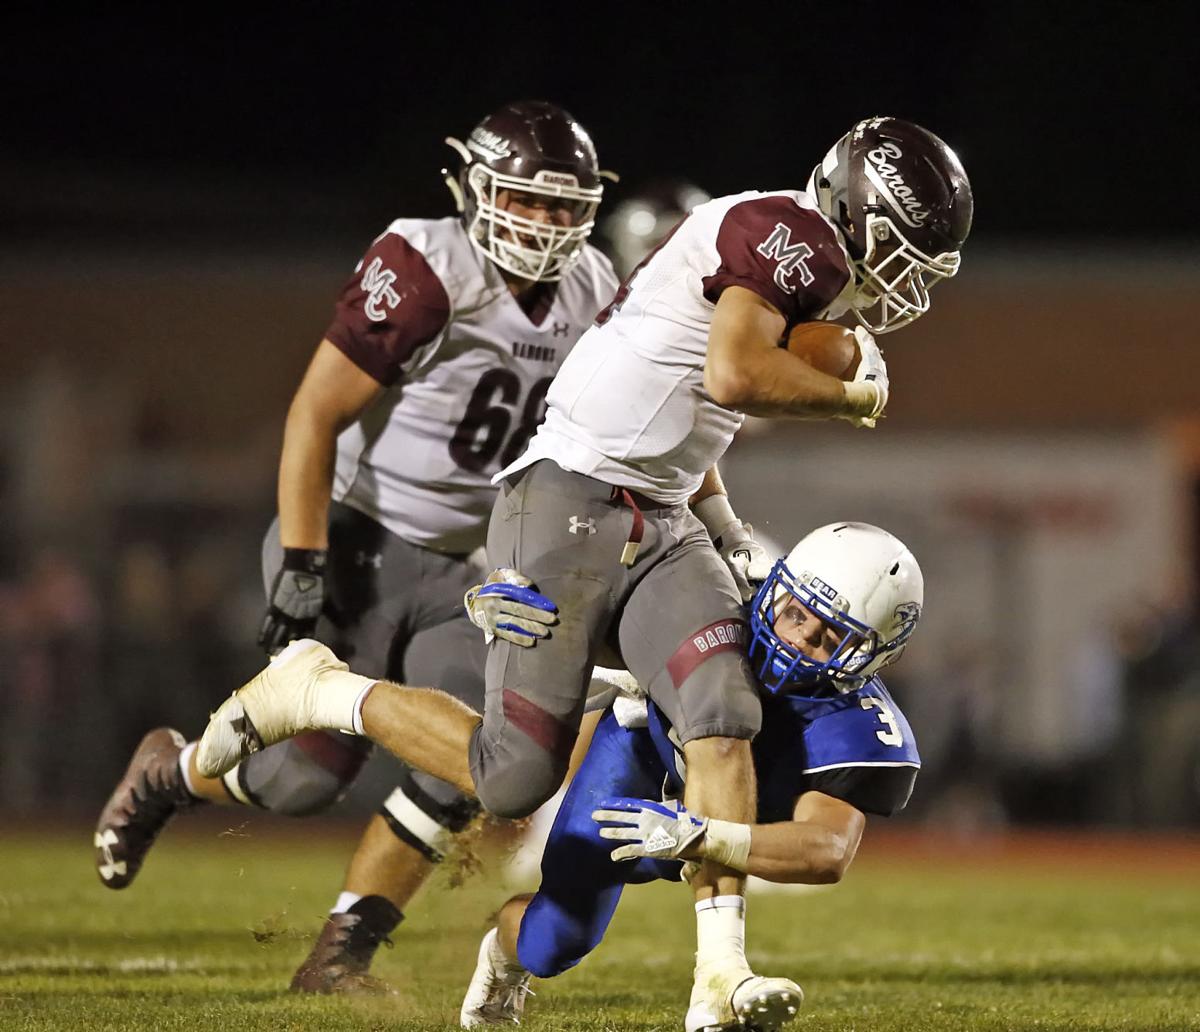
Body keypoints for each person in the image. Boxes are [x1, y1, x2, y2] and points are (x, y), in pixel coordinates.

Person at [196, 115, 972, 1028]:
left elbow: (682, 409)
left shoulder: (794, 250)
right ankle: (322, 689)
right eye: (904, 248)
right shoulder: (788, 234)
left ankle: (720, 974)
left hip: (664, 512)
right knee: (512, 779)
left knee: (723, 707)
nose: (909, 280)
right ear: (858, 210)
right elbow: (731, 376)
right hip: (570, 497)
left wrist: (722, 523)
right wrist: (850, 394)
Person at [93, 99, 619, 992]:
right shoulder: (427, 266)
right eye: (526, 199)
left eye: (562, 205)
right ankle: (169, 773)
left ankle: (341, 954)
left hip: (471, 569)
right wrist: (303, 560)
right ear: (476, 189)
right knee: (302, 782)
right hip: (360, 539)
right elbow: (315, 412)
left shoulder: (596, 285)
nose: (543, 221)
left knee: (481, 761)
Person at [458, 522, 924, 1030]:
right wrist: (519, 613)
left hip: (728, 829)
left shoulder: (857, 728)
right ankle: (502, 957)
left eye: (830, 638)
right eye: (795, 613)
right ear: (777, 587)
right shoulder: (719, 599)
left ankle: (719, 987)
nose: (796, 640)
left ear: (874, 656)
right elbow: (598, 597)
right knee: (554, 941)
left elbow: (826, 852)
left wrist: (700, 835)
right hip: (641, 761)